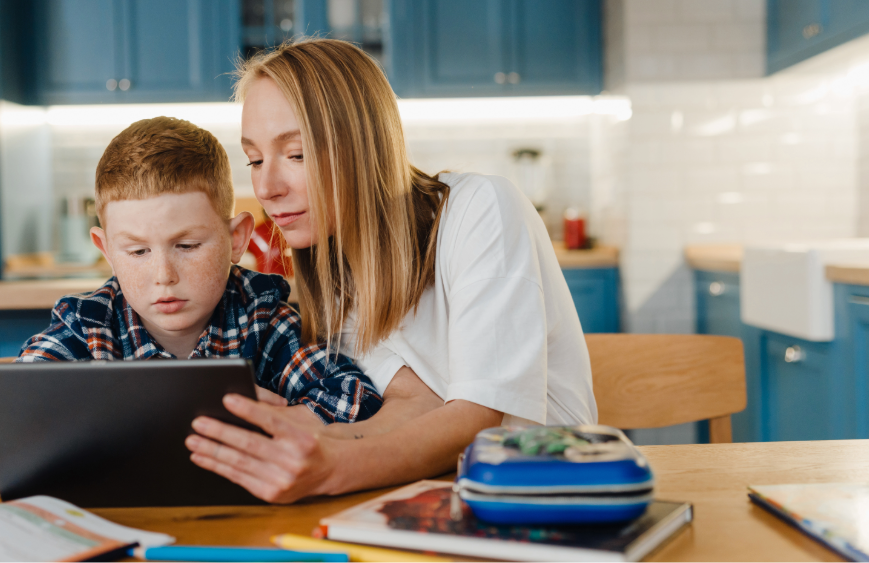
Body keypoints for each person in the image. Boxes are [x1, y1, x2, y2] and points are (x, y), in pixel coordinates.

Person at [184, 39, 597, 503]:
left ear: (364, 145)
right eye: (254, 160)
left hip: (550, 494)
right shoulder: (334, 269)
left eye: (296, 154)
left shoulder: (480, 208)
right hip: (444, 499)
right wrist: (289, 439)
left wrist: (331, 466)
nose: (266, 186)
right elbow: (408, 406)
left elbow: (478, 422)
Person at [0, 116, 382, 490]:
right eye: (137, 252)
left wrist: (287, 417)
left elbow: (360, 405)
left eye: (187, 245)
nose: (163, 275)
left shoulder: (261, 317)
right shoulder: (88, 327)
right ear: (106, 248)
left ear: (237, 239)